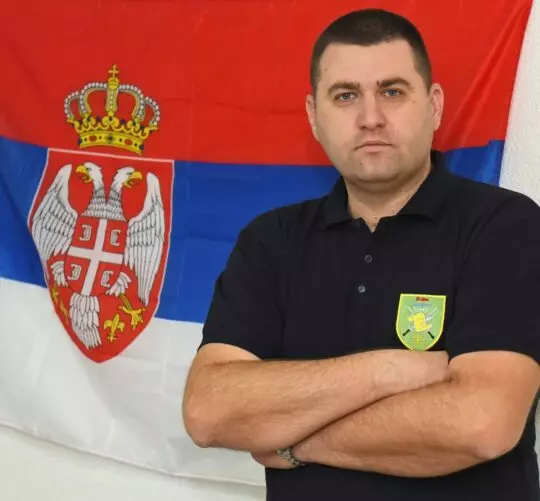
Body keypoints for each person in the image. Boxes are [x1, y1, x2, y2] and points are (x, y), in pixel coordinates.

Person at [183, 8, 540, 501]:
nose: (370, 117)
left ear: (434, 105)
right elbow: (209, 411)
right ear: (314, 115)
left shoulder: (504, 226)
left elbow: (482, 424)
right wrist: (390, 370)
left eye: (392, 91)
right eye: (346, 95)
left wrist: (296, 444)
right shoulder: (271, 240)